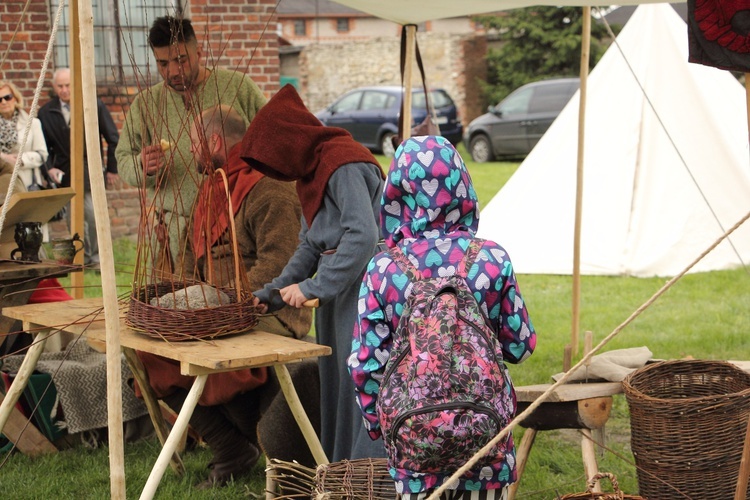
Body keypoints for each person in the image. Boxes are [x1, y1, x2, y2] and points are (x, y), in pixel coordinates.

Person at [348, 136, 537, 499]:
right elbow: (521, 346)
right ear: (462, 184)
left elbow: (366, 364)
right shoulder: (491, 259)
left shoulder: (383, 269)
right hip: (486, 438)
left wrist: (381, 427)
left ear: (397, 192)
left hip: (412, 445)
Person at [135, 105, 313, 488]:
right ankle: (230, 447)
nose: (193, 152)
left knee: (218, 356)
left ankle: (267, 445)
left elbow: (280, 266)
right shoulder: (213, 187)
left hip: (270, 310)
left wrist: (224, 306)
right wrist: (181, 299)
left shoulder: (271, 188)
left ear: (214, 141)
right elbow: (187, 261)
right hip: (214, 312)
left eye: (197, 143)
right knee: (149, 351)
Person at [242, 84, 388, 462]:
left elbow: (364, 235)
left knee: (361, 380)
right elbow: (309, 245)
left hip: (364, 289)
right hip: (337, 288)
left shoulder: (344, 163)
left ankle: (365, 474)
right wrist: (272, 294)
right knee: (337, 383)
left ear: (290, 141)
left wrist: (315, 285)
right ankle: (339, 469)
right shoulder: (312, 174)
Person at [116, 15, 267, 275]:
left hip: (233, 230)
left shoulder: (238, 88)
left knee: (230, 305)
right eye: (163, 63)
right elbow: (123, 160)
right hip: (172, 236)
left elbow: (269, 143)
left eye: (181, 60)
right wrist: (143, 166)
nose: (173, 71)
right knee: (176, 309)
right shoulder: (145, 104)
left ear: (199, 51)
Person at [38, 68, 120, 268]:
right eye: (60, 86)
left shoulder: (93, 105)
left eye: (68, 85)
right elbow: (43, 146)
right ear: (54, 87)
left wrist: (112, 169)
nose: (65, 90)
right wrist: (49, 169)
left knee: (92, 215)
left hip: (88, 169)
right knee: (72, 219)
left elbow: (113, 138)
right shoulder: (46, 113)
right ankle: (81, 259)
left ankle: (96, 258)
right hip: (64, 174)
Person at [0, 79, 48, 200]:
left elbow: (42, 154)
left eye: (7, 97)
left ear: (15, 98)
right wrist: (5, 158)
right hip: (3, 184)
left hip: (27, 181)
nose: (4, 102)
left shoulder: (32, 123)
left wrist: (21, 160)